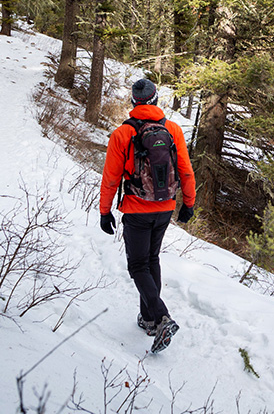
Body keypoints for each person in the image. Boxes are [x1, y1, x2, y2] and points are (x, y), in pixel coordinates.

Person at [99, 78, 196, 352]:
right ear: (155, 100)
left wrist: (104, 212)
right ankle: (149, 319)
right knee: (151, 259)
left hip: (136, 209)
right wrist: (188, 204)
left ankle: (162, 316)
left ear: (134, 102)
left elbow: (110, 179)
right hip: (165, 207)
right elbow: (186, 171)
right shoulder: (173, 130)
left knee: (138, 265)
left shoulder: (122, 134)